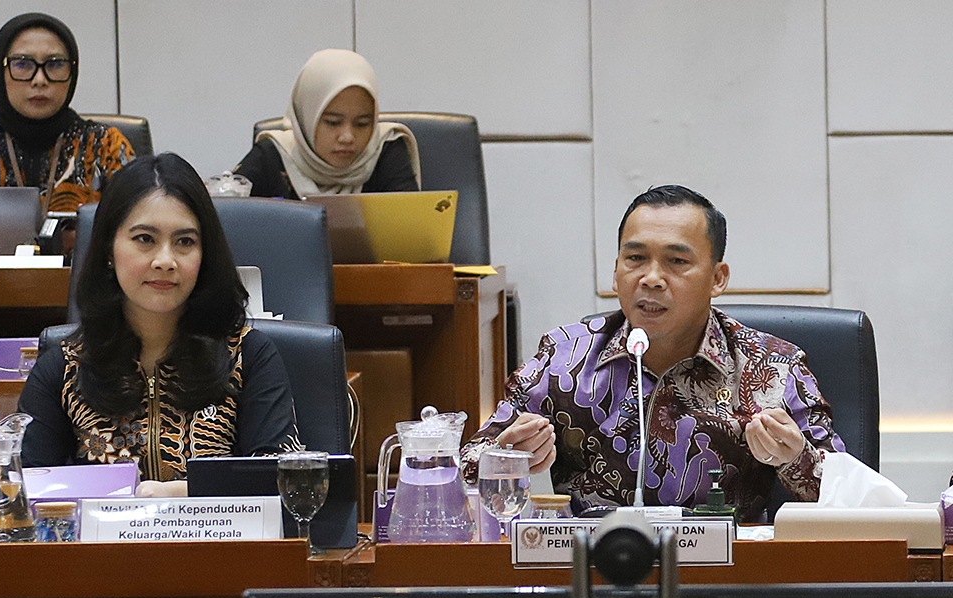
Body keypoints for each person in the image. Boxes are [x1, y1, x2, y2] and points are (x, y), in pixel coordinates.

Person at [461, 185, 844, 522]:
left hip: (724, 580)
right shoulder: (563, 356)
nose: (652, 278)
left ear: (717, 278)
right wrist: (503, 459)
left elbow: (848, 497)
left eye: (677, 261)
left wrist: (796, 459)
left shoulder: (771, 366)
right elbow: (463, 471)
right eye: (636, 259)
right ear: (615, 273)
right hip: (593, 573)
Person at [19, 153, 302, 497]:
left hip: (221, 547)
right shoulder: (62, 367)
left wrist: (182, 494)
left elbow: (286, 485)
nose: (165, 261)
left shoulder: (249, 356)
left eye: (185, 242)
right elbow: (29, 492)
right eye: (144, 239)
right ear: (109, 249)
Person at [0, 12, 134, 253]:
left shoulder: (105, 146)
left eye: (55, 64)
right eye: (22, 64)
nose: (39, 80)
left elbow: (138, 233)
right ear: (0, 71)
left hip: (84, 286)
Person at [234, 48, 420, 198]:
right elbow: (223, 216)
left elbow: (413, 228)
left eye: (362, 124)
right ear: (306, 120)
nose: (347, 137)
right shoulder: (274, 154)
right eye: (333, 123)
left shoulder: (385, 149)